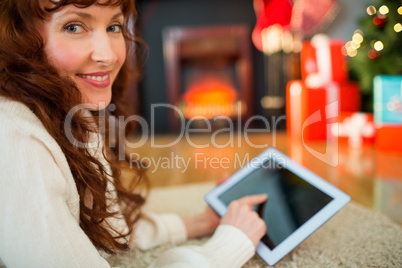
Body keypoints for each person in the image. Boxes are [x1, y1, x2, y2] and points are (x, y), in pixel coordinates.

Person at [0, 0, 267, 267]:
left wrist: (200, 222)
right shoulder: (15, 140)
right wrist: (228, 246)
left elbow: (107, 229)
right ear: (18, 37)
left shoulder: (71, 111)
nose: (109, 55)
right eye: (73, 26)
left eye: (114, 26)